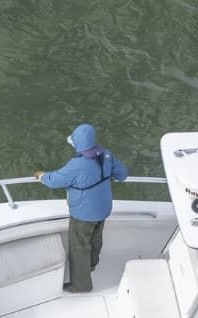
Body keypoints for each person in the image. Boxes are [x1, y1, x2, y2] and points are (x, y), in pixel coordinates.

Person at [35, 124, 130, 293]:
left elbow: (54, 180)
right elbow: (122, 174)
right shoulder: (107, 155)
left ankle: (81, 285)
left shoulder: (77, 165)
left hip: (83, 213)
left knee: (79, 246)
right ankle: (92, 264)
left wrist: (41, 175)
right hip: (103, 208)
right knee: (95, 237)